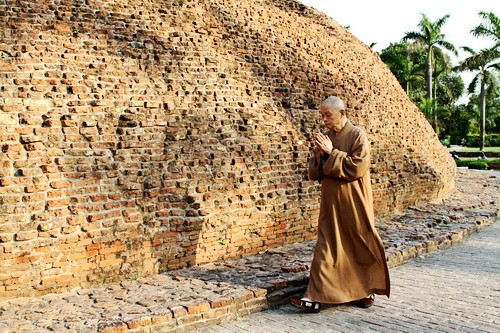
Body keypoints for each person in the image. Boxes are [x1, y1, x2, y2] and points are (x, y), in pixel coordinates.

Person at [291, 96, 390, 313]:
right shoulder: (326, 137)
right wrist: (318, 153)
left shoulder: (357, 135)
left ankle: (365, 290)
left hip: (354, 202)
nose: (324, 119)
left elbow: (357, 167)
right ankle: (314, 296)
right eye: (322, 115)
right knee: (326, 246)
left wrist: (330, 152)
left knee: (358, 244)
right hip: (331, 203)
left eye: (328, 115)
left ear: (342, 113)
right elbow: (315, 173)